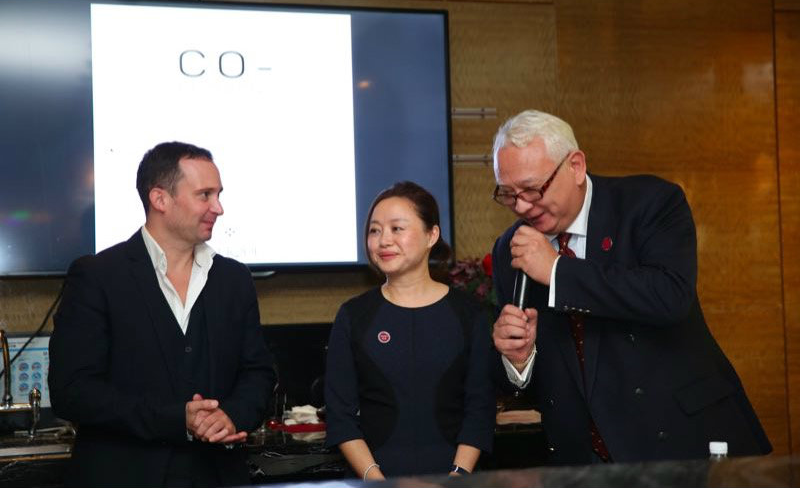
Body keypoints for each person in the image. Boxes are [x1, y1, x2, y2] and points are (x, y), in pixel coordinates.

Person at [490, 110, 771, 465]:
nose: (521, 206)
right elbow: (537, 377)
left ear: (575, 166)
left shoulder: (649, 203)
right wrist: (519, 359)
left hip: (679, 437)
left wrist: (559, 271)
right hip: (585, 459)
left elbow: (669, 296)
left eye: (533, 189)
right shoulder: (510, 248)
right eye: (508, 194)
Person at [49, 142, 276, 487]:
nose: (219, 208)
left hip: (217, 476)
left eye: (218, 194)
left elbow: (258, 372)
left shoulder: (234, 279)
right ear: (160, 199)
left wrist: (232, 415)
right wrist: (175, 419)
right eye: (205, 195)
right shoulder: (98, 276)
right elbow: (72, 391)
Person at [324, 181, 495, 480]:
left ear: (432, 235)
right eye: (374, 230)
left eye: (397, 228)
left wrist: (456, 478)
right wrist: (377, 482)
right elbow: (340, 416)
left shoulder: (470, 314)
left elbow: (480, 409)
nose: (383, 241)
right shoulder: (353, 315)